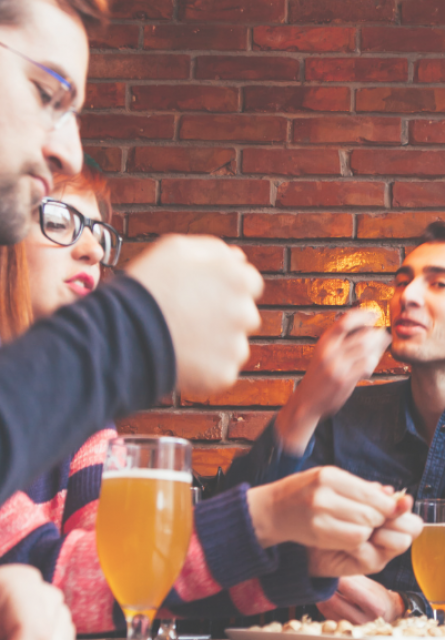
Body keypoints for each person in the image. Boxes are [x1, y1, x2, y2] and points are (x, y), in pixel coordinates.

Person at [0, 164, 423, 633]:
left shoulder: (82, 422)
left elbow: (118, 578)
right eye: (59, 222)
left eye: (101, 233)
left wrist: (303, 558)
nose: (94, 249)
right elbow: (39, 575)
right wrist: (265, 518)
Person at [227, 223, 445, 630]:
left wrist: (403, 609)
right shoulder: (346, 410)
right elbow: (235, 539)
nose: (406, 296)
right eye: (402, 282)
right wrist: (305, 404)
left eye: (439, 284)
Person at [0, 0, 265, 507]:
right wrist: (134, 329)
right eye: (45, 93)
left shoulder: (79, 418)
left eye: (101, 237)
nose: (70, 152)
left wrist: (271, 522)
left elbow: (74, 568)